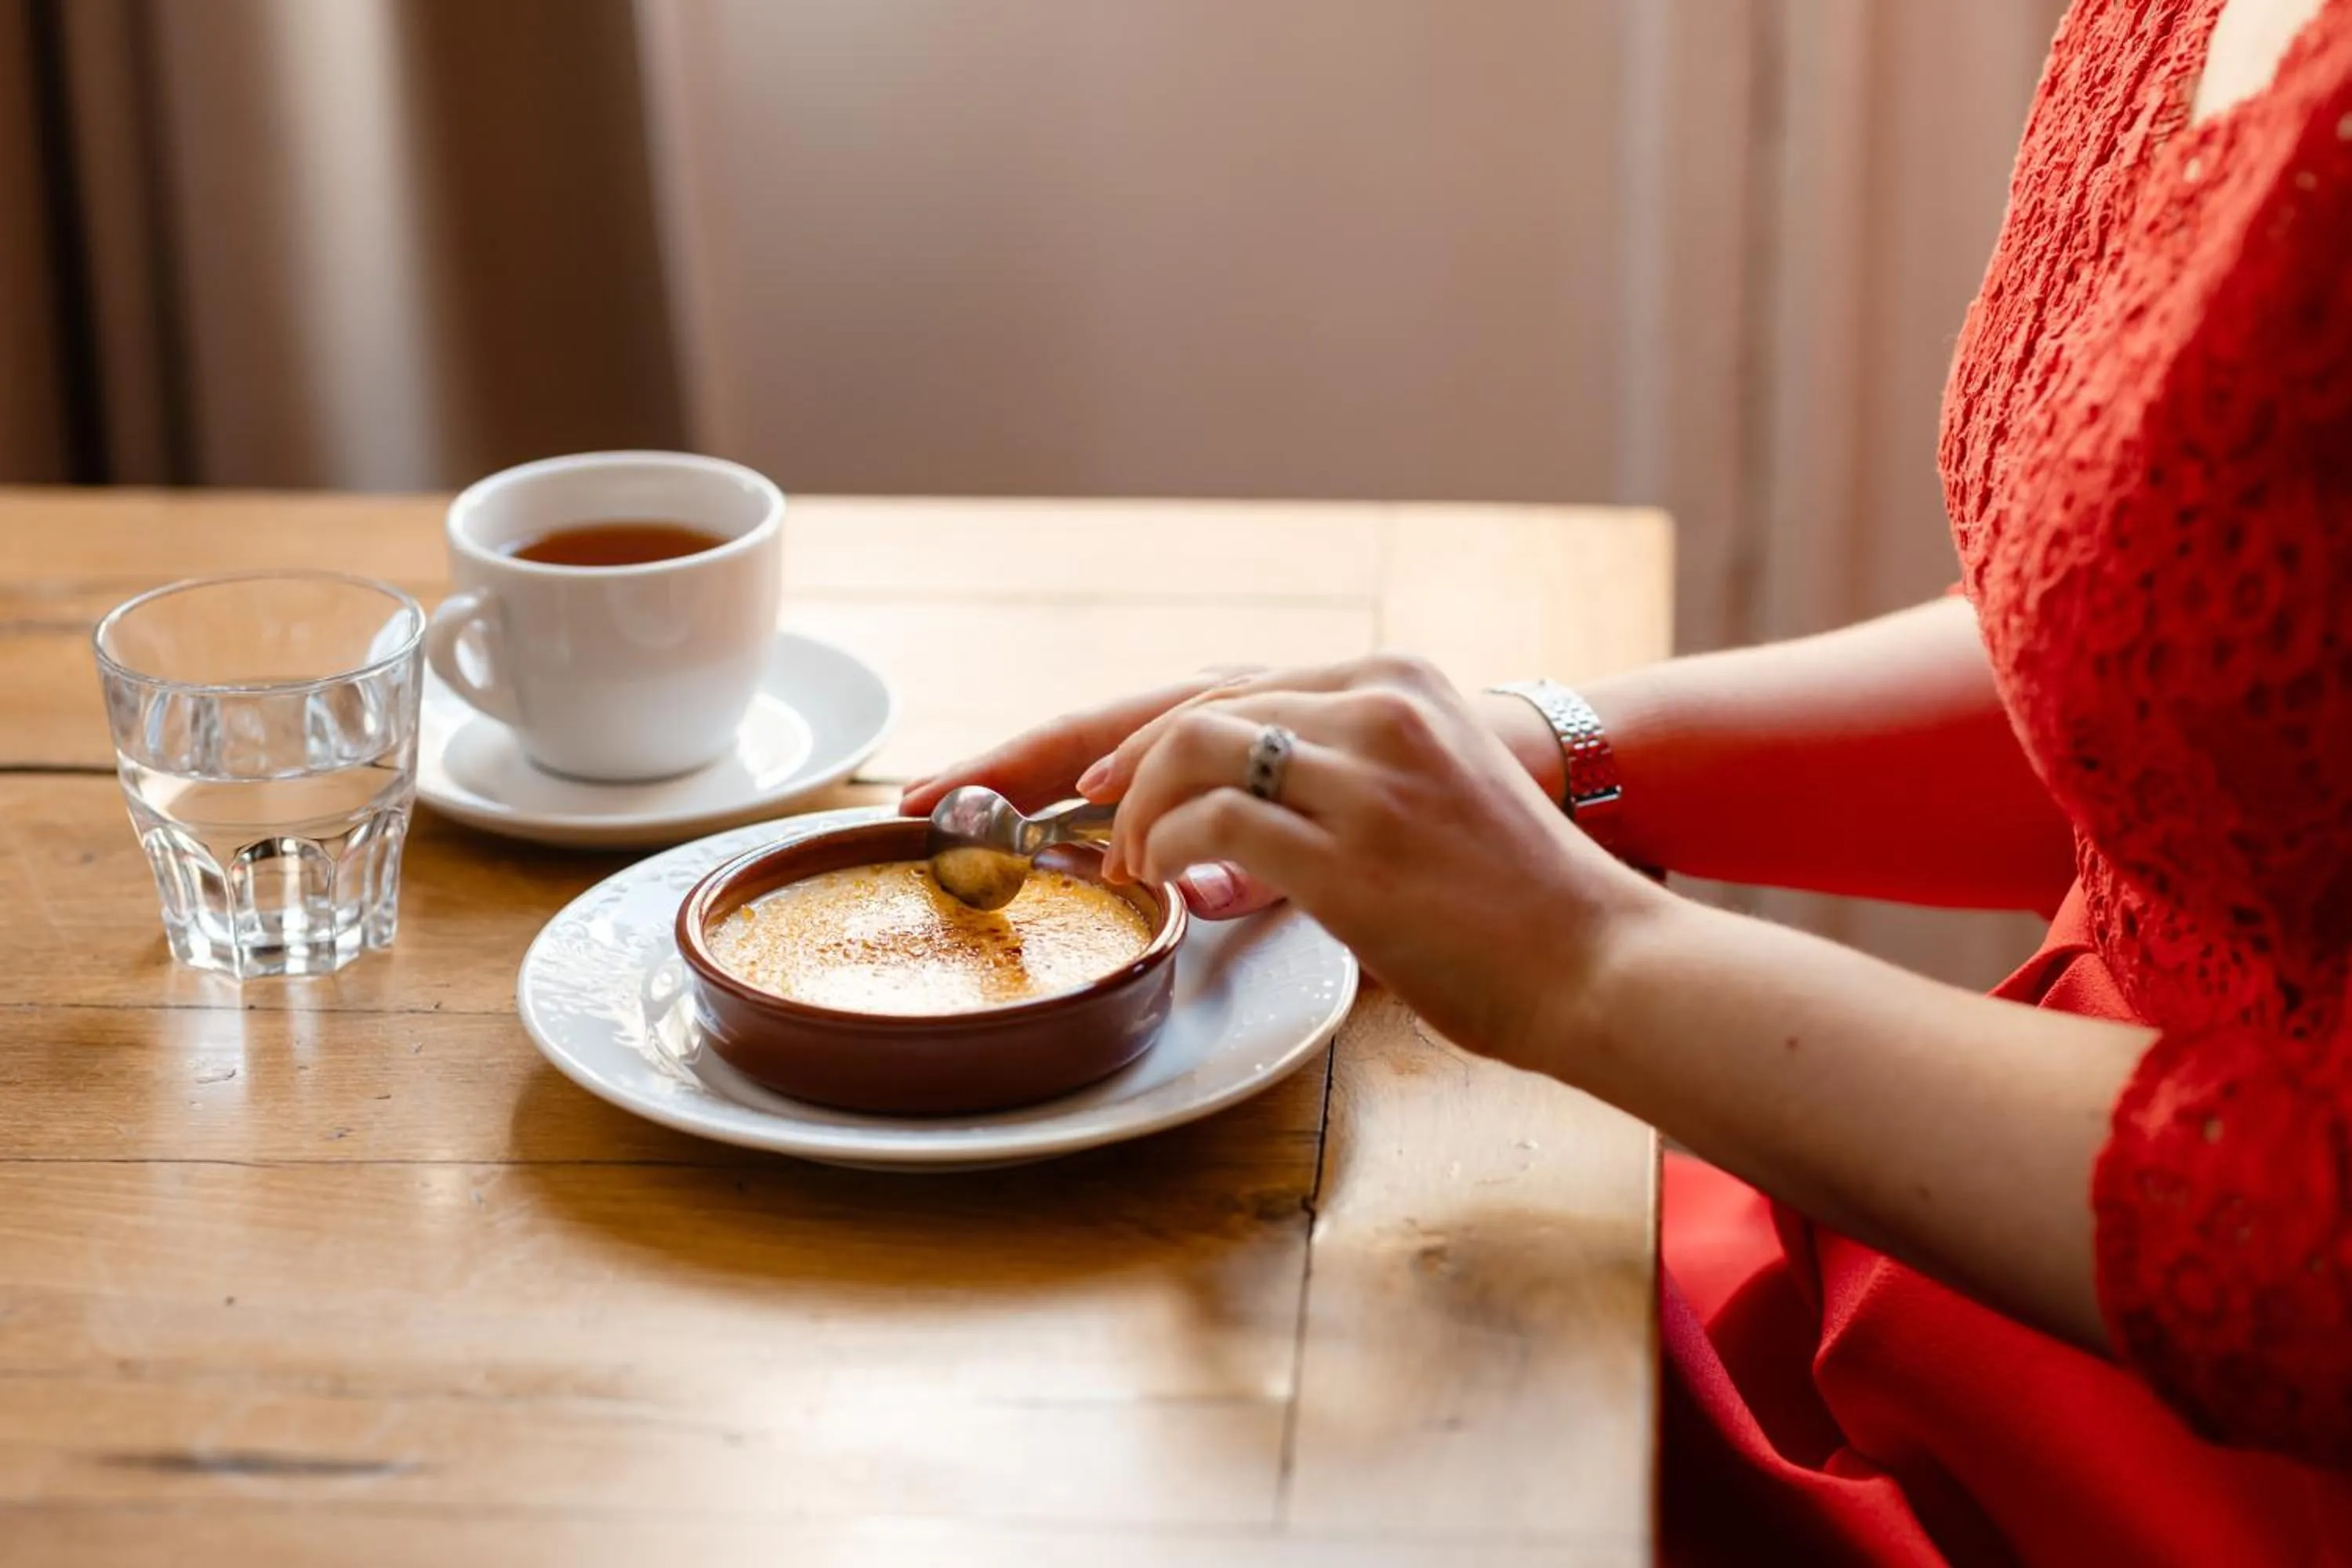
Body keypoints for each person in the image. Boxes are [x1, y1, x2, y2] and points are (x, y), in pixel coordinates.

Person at [902, 0, 2352, 1558]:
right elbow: (2189, 696)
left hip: (2161, 1471)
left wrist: (1582, 956)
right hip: (1927, 1266)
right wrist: (1533, 754)